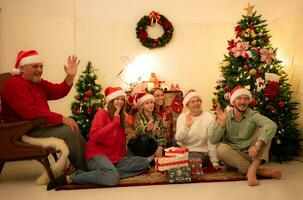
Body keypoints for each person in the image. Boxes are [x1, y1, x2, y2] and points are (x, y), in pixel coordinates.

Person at [47, 87, 150, 190]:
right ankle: (72, 178)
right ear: (111, 100)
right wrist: (114, 123)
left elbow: (120, 141)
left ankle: (102, 174)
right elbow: (94, 136)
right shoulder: (101, 114)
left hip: (115, 159)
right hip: (97, 156)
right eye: (117, 99)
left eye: (122, 99)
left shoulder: (120, 116)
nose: (120, 102)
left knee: (144, 163)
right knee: (112, 178)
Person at [1, 50, 87, 171]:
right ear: (22, 68)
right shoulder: (14, 84)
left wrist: (70, 76)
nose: (40, 70)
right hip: (23, 130)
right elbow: (29, 112)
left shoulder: (38, 82)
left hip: (38, 126)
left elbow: (58, 91)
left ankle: (90, 164)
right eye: (35, 66)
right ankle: (84, 170)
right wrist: (61, 119)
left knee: (74, 125)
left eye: (41, 66)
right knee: (69, 131)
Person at [209, 86, 282, 186]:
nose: (243, 102)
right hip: (232, 155)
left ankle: (252, 169)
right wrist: (221, 124)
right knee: (221, 149)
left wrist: (257, 145)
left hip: (251, 153)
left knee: (266, 133)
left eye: (246, 98)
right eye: (239, 98)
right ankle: (258, 171)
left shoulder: (252, 115)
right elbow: (213, 140)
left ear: (249, 101)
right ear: (233, 101)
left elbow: (272, 125)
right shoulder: (225, 116)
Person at [175, 89, 219, 168]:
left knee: (190, 162)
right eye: (193, 101)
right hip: (187, 152)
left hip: (204, 153)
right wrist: (187, 127)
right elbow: (178, 139)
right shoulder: (182, 117)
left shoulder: (209, 117)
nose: (196, 103)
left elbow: (211, 141)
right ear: (187, 105)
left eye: (198, 101)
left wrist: (215, 162)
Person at [128, 92, 167, 158]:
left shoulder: (158, 118)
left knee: (168, 146)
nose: (150, 105)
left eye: (152, 103)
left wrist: (160, 147)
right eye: (147, 103)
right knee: (144, 138)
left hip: (153, 145)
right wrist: (146, 129)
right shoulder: (138, 115)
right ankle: (141, 161)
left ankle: (153, 159)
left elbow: (163, 134)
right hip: (140, 145)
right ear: (142, 106)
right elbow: (137, 130)